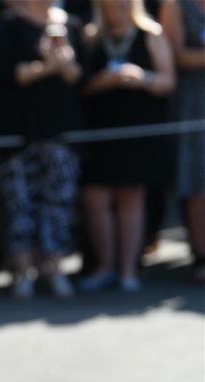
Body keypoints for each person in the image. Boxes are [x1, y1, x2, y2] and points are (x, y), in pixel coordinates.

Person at [0, 0, 86, 300]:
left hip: (60, 130)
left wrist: (64, 63)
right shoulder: (8, 26)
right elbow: (8, 73)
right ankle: (23, 273)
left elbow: (80, 76)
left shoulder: (71, 26)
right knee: (21, 202)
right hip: (18, 131)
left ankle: (54, 269)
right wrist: (48, 65)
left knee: (57, 202)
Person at [79, 0, 174, 293]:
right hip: (99, 131)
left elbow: (167, 81)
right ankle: (105, 266)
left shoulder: (151, 34)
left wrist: (142, 78)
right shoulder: (90, 36)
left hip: (136, 132)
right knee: (96, 199)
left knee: (131, 199)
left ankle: (128, 269)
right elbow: (79, 84)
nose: (115, 8)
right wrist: (103, 82)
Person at [160, 0, 205, 283]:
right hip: (194, 102)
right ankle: (202, 256)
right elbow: (173, 54)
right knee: (198, 183)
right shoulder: (175, 4)